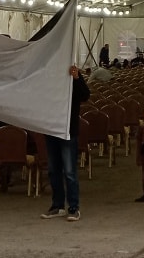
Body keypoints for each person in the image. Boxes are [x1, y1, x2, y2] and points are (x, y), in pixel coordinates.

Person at [41, 65, 90, 222]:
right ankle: (57, 206)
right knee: (53, 170)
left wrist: (76, 78)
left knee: (69, 171)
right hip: (51, 130)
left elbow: (85, 95)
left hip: (68, 131)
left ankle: (74, 207)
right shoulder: (49, 79)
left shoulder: (73, 77)